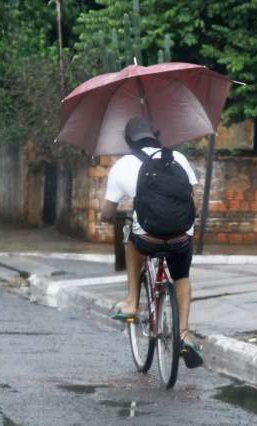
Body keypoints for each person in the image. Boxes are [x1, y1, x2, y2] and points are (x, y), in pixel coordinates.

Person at [100, 117, 203, 368]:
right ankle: (184, 334)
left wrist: (110, 216)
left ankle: (132, 302)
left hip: (148, 238)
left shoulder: (122, 166)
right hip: (180, 238)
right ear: (155, 136)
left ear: (128, 141)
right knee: (181, 276)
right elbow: (195, 204)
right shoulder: (177, 158)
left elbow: (106, 213)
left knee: (132, 240)